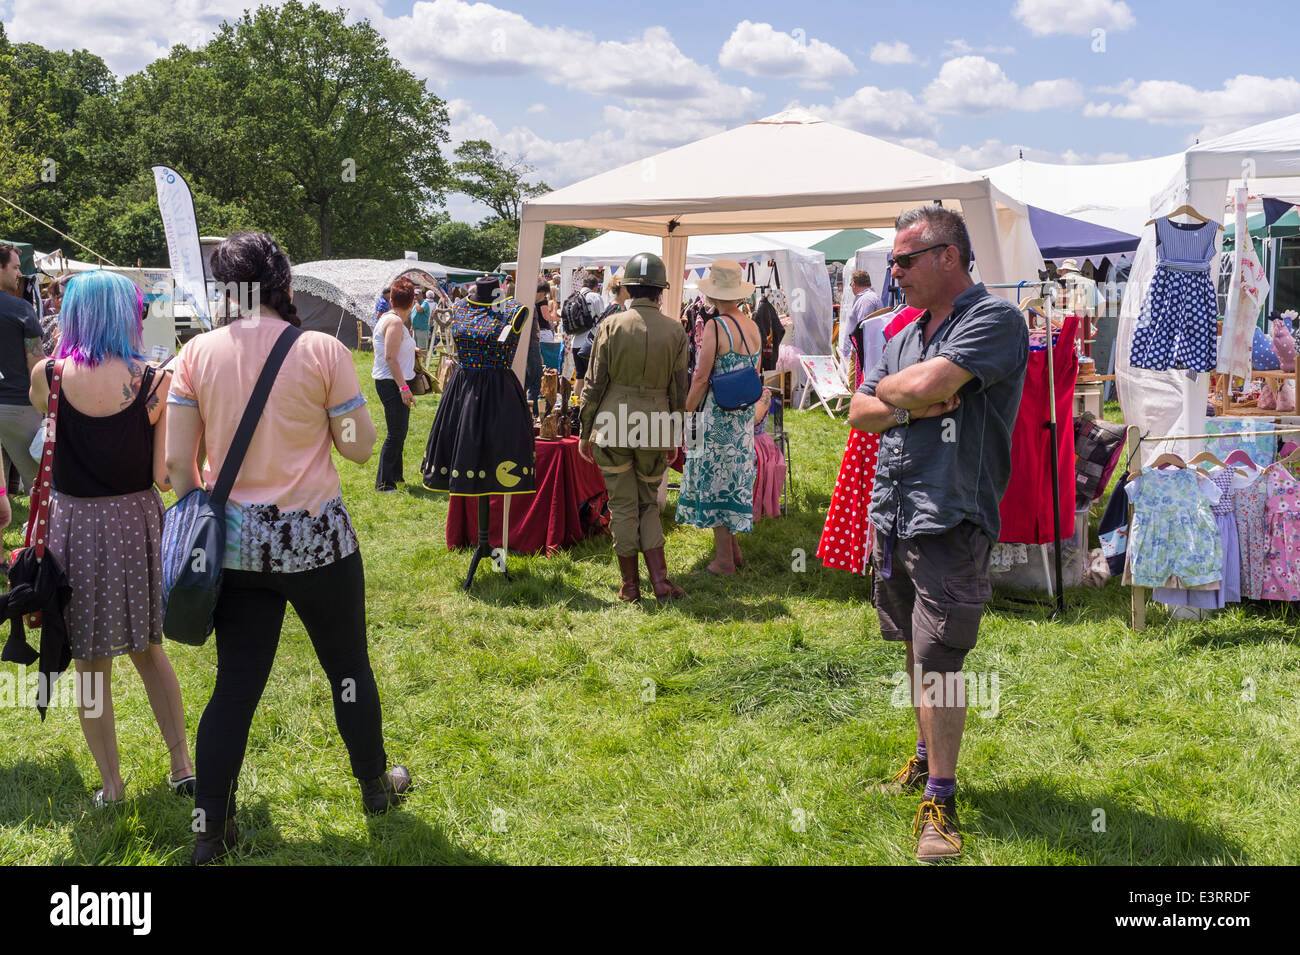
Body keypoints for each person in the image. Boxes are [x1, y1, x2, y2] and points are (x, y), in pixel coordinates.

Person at [166, 232, 410, 865]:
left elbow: (177, 466)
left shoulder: (195, 354)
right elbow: (358, 446)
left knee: (235, 686)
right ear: (283, 282)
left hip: (238, 550)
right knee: (348, 670)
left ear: (227, 287)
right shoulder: (322, 350)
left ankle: (209, 831)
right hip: (317, 542)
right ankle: (376, 788)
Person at [848, 206, 1028, 862]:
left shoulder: (994, 319)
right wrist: (916, 402)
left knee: (942, 659)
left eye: (904, 260)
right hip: (895, 509)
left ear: (948, 256)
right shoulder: (904, 330)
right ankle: (924, 760)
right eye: (892, 261)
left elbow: (919, 384)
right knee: (912, 648)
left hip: (951, 512)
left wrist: (909, 393)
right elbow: (859, 410)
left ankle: (942, 802)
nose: (891, 273)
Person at [29, 270, 194, 807]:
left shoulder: (47, 374)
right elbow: (163, 474)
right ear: (128, 315)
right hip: (134, 521)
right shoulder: (153, 379)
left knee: (89, 665)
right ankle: (181, 765)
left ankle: (112, 785)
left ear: (73, 313)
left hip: (73, 523)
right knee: (150, 649)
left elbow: (48, 426)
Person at [578, 253, 687, 601]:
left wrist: (584, 431)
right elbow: (678, 390)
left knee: (622, 504)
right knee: (647, 505)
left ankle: (630, 586)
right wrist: (674, 433)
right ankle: (660, 583)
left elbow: (593, 384)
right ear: (659, 291)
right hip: (655, 424)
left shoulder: (611, 325)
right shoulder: (675, 329)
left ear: (628, 288)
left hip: (612, 422)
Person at [676, 260, 762, 574]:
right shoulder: (751, 325)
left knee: (715, 484)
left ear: (713, 294)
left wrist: (686, 412)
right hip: (741, 418)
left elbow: (701, 376)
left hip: (716, 417)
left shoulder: (715, 325)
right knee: (733, 481)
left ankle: (723, 561)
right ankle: (734, 552)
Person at [0, 243, 45, 493]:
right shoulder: (20, 308)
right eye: (16, 267)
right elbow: (37, 364)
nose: (20, 274)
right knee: (40, 484)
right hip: (17, 406)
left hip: (12, 406)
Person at [372, 277, 419, 492]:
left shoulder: (391, 319)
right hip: (392, 383)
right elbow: (390, 357)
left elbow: (394, 350)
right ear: (411, 303)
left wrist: (413, 350)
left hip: (393, 381)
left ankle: (396, 476)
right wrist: (404, 387)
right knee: (395, 433)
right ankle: (384, 482)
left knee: (400, 430)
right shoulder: (395, 322)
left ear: (391, 300)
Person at [838, 269, 884, 367]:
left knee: (855, 381)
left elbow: (863, 326)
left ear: (854, 284)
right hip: (864, 350)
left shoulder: (866, 300)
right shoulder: (869, 298)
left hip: (861, 352)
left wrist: (855, 349)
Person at [569, 272, 604, 396]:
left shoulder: (573, 297)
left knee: (579, 376)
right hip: (590, 343)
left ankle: (576, 407)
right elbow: (602, 319)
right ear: (595, 286)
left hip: (575, 343)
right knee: (592, 377)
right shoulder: (595, 296)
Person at [526, 279, 549, 404]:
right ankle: (533, 411)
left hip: (530, 346)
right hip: (531, 346)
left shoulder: (529, 304)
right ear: (541, 292)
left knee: (529, 380)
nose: (544, 298)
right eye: (545, 295)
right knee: (536, 380)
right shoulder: (531, 305)